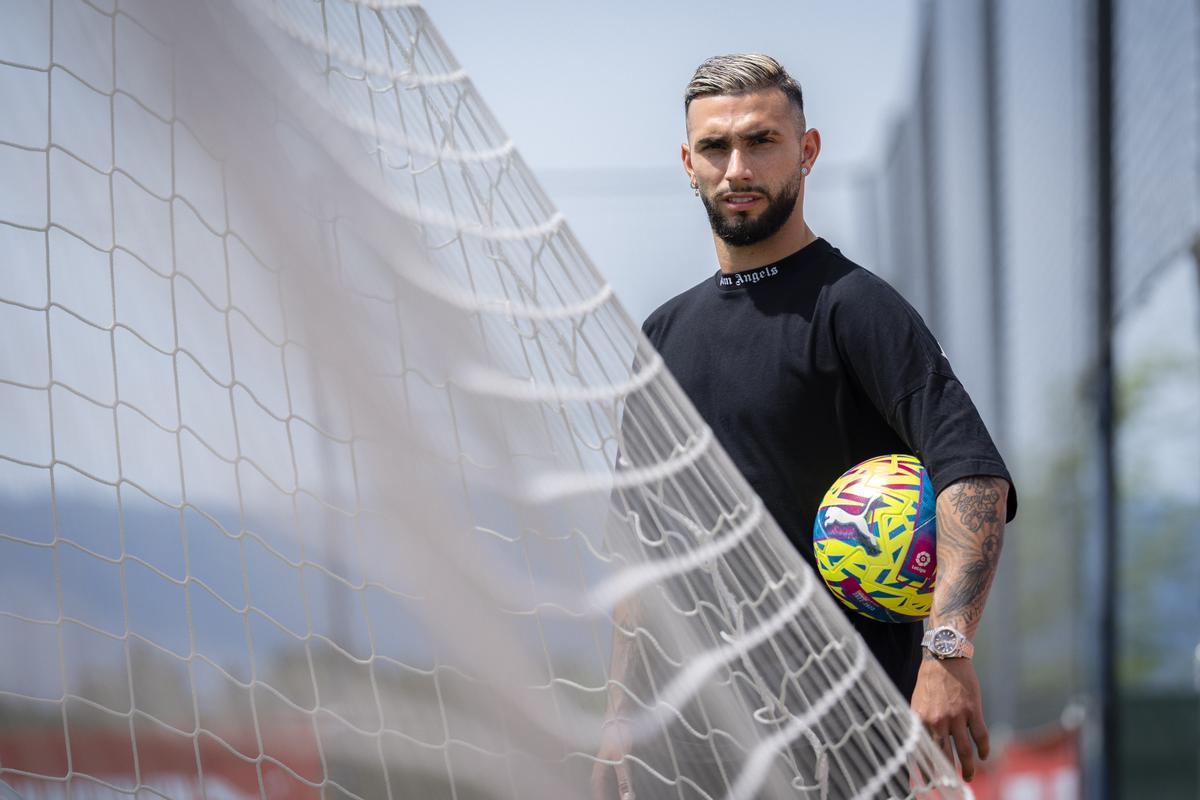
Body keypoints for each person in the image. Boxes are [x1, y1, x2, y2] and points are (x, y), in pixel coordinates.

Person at [592, 54, 1017, 799]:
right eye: (716, 148)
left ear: (807, 151)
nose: (737, 168)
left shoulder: (854, 308)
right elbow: (642, 544)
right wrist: (620, 715)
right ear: (688, 163)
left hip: (838, 740)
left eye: (761, 141)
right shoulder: (663, 333)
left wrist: (946, 652)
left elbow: (971, 474)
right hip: (688, 737)